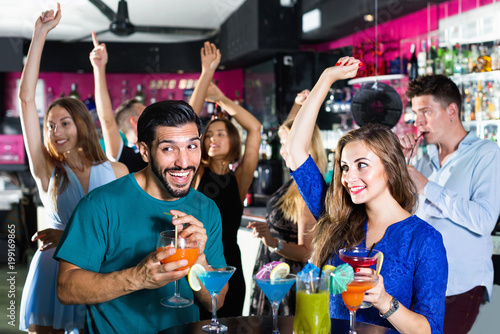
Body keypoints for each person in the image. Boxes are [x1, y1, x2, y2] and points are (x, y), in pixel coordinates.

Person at [284, 57, 448, 334]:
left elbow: (431, 329)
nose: (348, 177)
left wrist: (385, 301)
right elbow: (295, 150)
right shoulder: (337, 217)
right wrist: (326, 78)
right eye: (345, 167)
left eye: (362, 165)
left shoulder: (424, 240)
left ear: (390, 167)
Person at [54, 100, 227, 333]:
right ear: (145, 151)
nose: (184, 162)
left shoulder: (207, 208)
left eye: (192, 146)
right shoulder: (100, 205)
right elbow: (65, 288)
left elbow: (216, 300)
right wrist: (138, 278)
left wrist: (201, 259)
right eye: (169, 148)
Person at [18, 4, 128, 333]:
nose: (56, 131)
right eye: (50, 126)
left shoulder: (115, 170)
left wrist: (66, 236)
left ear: (80, 124)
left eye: (64, 122)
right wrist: (40, 35)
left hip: (98, 274)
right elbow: (26, 100)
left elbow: (120, 237)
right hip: (51, 275)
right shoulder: (45, 169)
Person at [400, 74, 500, 334]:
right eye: (415, 113)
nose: (417, 121)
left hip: (460, 284)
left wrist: (426, 186)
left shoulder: (486, 154)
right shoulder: (424, 159)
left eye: (426, 112)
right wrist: (399, 165)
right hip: (420, 282)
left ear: (451, 111)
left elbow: (484, 219)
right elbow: (405, 215)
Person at [190, 42, 262, 318]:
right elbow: (188, 119)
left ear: (232, 140)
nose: (212, 138)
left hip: (232, 265)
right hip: (199, 262)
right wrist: (206, 72)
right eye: (209, 134)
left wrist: (221, 99)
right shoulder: (196, 172)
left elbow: (254, 128)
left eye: (220, 133)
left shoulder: (238, 178)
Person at [247, 109, 327, 316]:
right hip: (274, 274)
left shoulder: (307, 189)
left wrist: (273, 242)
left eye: (286, 143)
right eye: (283, 142)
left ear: (305, 145)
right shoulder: (294, 183)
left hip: (288, 281)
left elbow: (307, 252)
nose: (283, 149)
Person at [90, 31, 147, 173]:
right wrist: (99, 69)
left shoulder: (158, 150)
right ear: (134, 121)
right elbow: (106, 120)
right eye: (145, 112)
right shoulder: (123, 155)